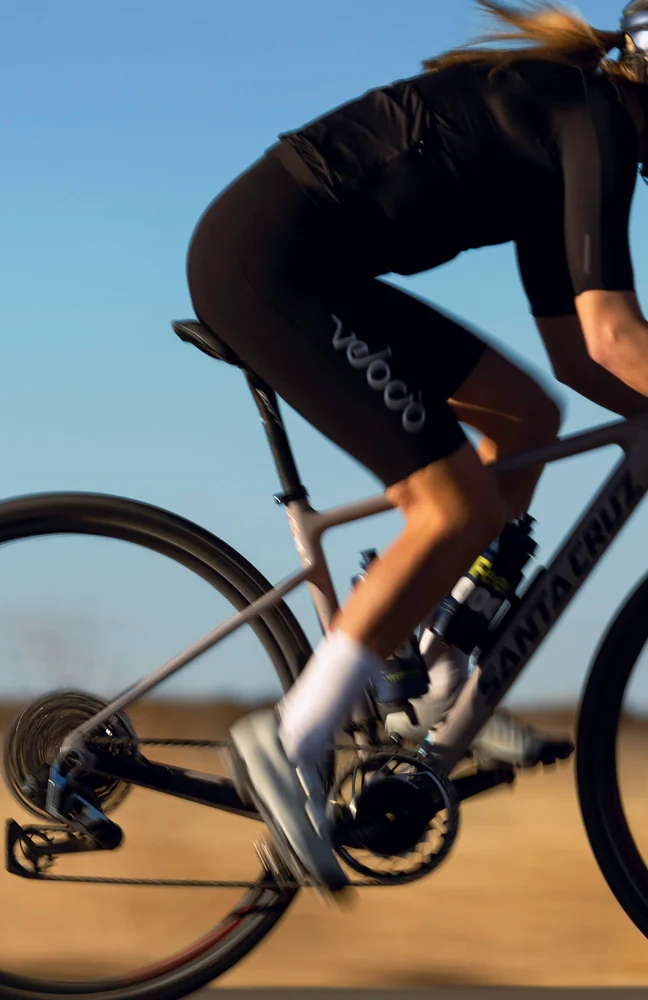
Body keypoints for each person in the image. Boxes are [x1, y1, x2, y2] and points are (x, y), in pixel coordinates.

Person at [187, 0, 648, 892]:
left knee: (527, 419)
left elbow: (582, 359)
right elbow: (615, 336)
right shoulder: (593, 118)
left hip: (308, 267)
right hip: (269, 266)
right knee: (452, 503)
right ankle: (291, 738)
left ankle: (434, 665)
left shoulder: (576, 131)